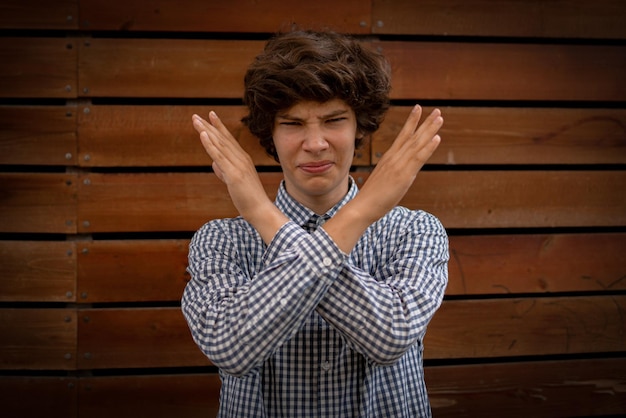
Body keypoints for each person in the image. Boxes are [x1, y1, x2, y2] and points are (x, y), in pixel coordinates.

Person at [182, 29, 448, 417]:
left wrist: (267, 214)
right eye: (292, 124)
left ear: (359, 126)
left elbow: (391, 337)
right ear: (270, 134)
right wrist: (358, 213)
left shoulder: (415, 231)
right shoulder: (221, 241)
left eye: (334, 120)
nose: (316, 143)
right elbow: (229, 347)